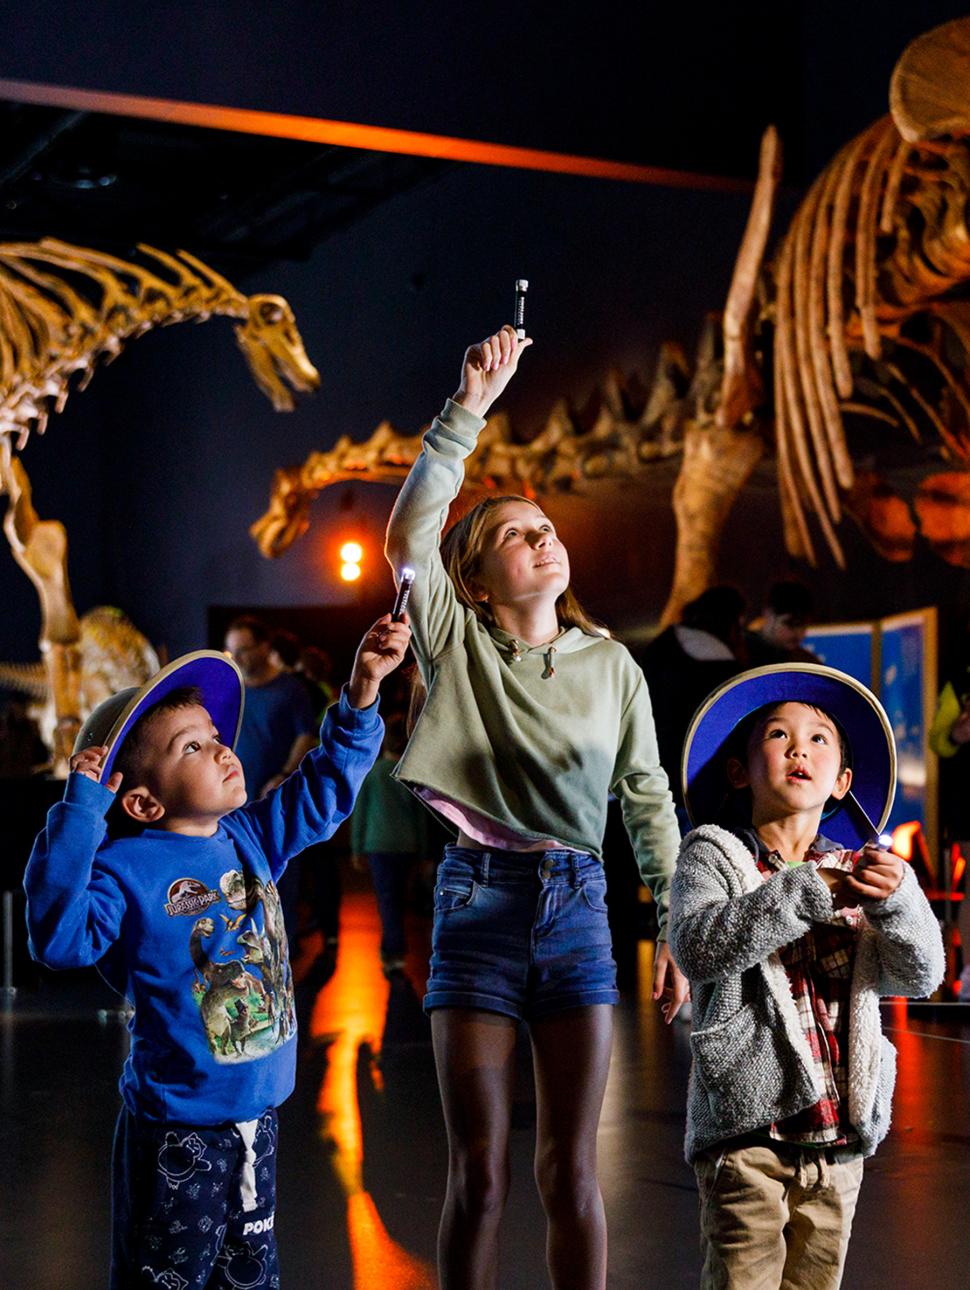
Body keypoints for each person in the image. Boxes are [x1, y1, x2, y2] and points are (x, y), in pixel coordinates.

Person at [385, 323, 685, 1290]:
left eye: (544, 524)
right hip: (475, 905)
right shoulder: (454, 640)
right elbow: (408, 536)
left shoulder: (614, 667)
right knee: (477, 1173)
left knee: (571, 1170)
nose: (541, 535)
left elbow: (646, 797)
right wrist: (467, 406)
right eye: (514, 533)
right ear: (475, 579)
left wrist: (676, 923)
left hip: (579, 910)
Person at [24, 615, 410, 1289]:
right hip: (179, 1132)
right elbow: (59, 939)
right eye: (191, 748)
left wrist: (363, 691)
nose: (222, 750)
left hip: (257, 1121)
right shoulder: (124, 867)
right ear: (141, 801)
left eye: (214, 737)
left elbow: (323, 789)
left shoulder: (249, 836)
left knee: (251, 1278)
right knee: (166, 1280)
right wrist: (81, 814)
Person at [670, 664, 944, 1290]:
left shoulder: (862, 870)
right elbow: (699, 946)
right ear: (739, 771)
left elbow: (922, 972)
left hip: (839, 1138)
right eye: (777, 734)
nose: (800, 748)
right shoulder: (714, 853)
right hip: (747, 1137)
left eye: (820, 738)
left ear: (843, 781)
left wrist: (899, 901)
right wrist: (805, 891)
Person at [225, 615, 320, 948]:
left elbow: (305, 736)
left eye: (245, 650)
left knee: (280, 886)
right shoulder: (231, 689)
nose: (237, 658)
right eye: (232, 651)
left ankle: (283, 956)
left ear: (265, 648)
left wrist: (282, 775)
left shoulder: (290, 689)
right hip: (232, 808)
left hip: (274, 806)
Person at [637, 585, 747, 829]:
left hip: (653, 785)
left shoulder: (660, 648)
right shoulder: (725, 672)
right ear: (732, 624)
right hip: (702, 790)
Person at [351, 710, 430, 976]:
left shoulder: (373, 774)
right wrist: (423, 851)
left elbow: (360, 812)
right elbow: (421, 818)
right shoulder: (410, 776)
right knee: (401, 899)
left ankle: (392, 951)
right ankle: (397, 949)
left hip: (378, 845)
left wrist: (356, 848)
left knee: (387, 899)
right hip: (406, 846)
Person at [745, 578, 820, 666]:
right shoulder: (741, 654)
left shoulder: (806, 663)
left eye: (803, 626)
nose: (798, 633)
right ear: (768, 614)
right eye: (790, 624)